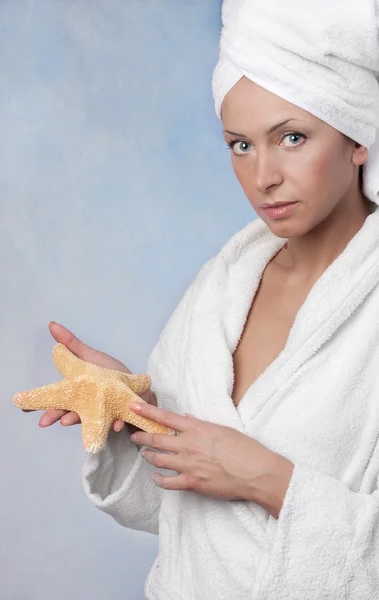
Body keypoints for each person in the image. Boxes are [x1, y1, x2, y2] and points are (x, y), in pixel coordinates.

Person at [33, 1, 379, 598]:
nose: (262, 175)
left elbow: (240, 476)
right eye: (239, 145)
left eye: (291, 137)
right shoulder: (222, 287)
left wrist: (268, 480)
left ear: (358, 138)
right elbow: (176, 508)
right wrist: (134, 410)